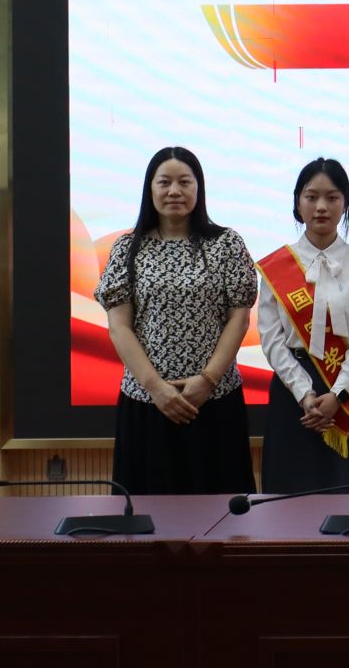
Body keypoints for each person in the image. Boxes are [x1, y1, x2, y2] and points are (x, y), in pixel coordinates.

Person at [94, 146, 258, 495]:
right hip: (147, 404)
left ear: (199, 188)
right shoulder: (127, 249)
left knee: (220, 513)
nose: (174, 191)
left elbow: (239, 318)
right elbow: (119, 326)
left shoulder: (226, 244)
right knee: (146, 514)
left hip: (215, 402)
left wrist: (207, 381)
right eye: (164, 182)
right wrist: (157, 388)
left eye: (185, 182)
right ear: (150, 188)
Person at [253, 158, 349, 494]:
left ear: (345, 203)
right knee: (289, 499)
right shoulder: (276, 266)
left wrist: (338, 394)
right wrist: (304, 393)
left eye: (332, 197)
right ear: (298, 203)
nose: (321, 207)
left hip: (346, 393)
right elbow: (271, 340)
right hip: (292, 394)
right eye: (311, 197)